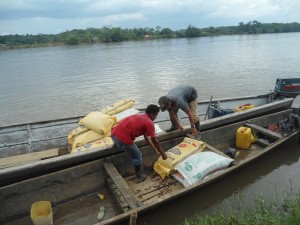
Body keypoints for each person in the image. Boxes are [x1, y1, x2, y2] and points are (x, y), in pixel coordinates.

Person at [111, 104, 168, 183]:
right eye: (156, 115)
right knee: (138, 156)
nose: (156, 118)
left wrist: (155, 149)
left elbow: (146, 137)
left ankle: (117, 144)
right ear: (152, 114)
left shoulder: (142, 117)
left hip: (114, 134)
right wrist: (163, 153)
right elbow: (155, 141)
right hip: (122, 139)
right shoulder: (149, 123)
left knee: (122, 139)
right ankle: (139, 177)